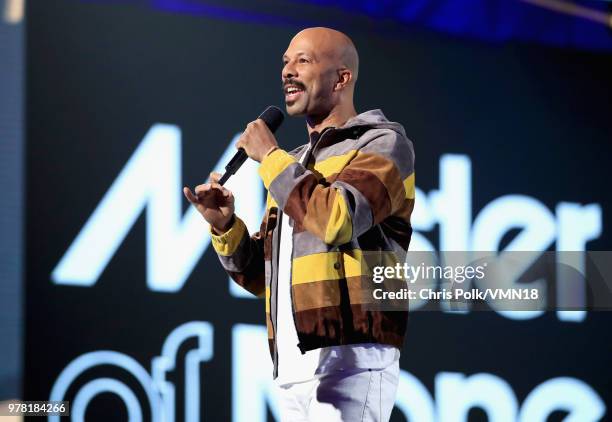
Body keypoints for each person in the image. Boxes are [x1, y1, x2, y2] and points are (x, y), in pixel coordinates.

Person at [184, 27, 415, 422]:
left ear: (341, 78)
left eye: (303, 61)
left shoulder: (381, 145)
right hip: (294, 364)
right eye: (285, 62)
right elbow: (263, 277)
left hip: (352, 356)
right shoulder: (294, 164)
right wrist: (226, 228)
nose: (287, 71)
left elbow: (336, 220)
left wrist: (272, 158)